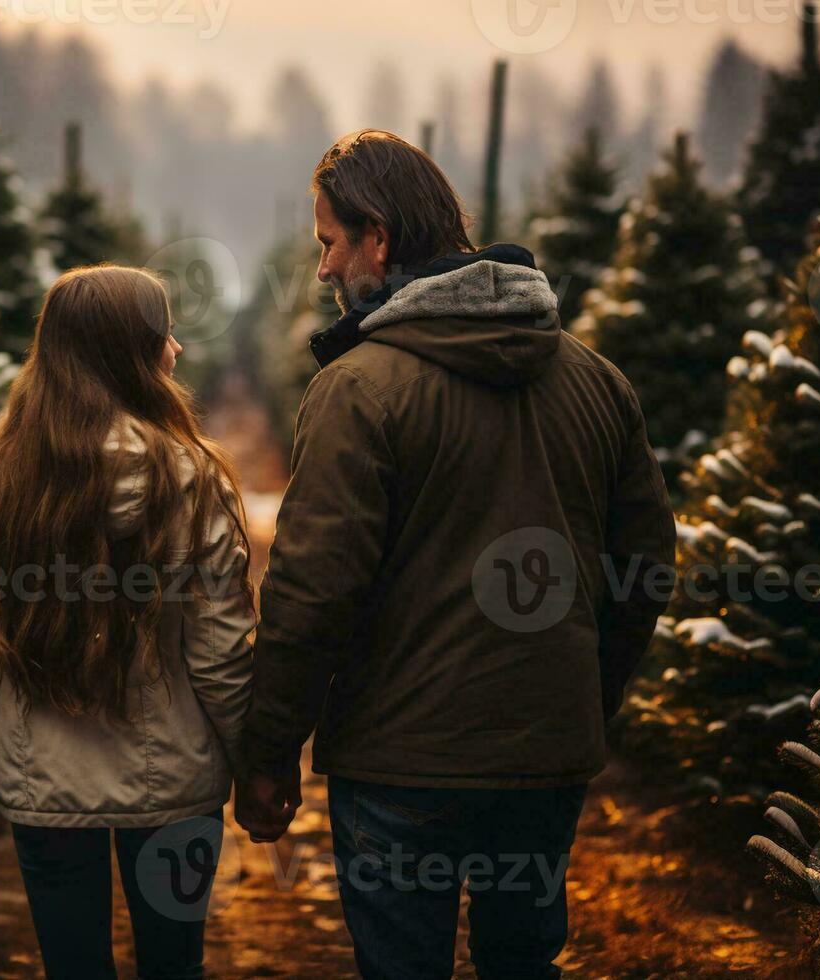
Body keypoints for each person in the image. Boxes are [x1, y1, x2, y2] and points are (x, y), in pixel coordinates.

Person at [234, 130, 677, 979]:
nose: (323, 270)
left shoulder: (358, 389)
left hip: (401, 764)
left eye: (329, 243)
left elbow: (312, 591)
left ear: (380, 239)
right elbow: (646, 563)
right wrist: (584, 695)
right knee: (522, 963)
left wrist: (266, 752)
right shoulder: (595, 379)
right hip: (544, 757)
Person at [0, 265, 257, 980]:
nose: (175, 348)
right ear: (128, 353)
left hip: (40, 780)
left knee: (71, 965)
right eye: (161, 334)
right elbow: (220, 655)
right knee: (174, 964)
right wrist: (250, 758)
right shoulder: (192, 478)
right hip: (173, 782)